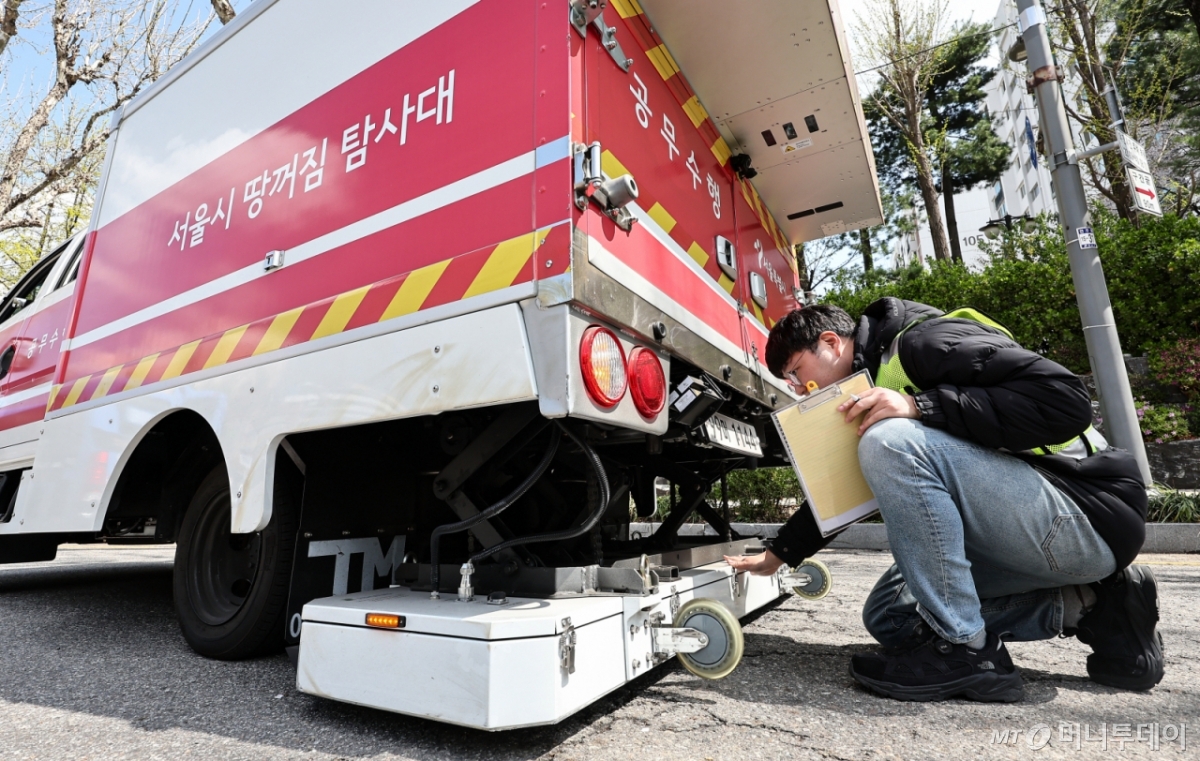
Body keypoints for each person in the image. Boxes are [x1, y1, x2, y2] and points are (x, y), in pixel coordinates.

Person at [725, 298, 1160, 702]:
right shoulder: (875, 385)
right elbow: (848, 493)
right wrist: (780, 554)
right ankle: (1093, 605)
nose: (801, 389)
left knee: (888, 440)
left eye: (798, 372)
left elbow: (1066, 401)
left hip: (1086, 513)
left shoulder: (922, 342)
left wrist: (921, 406)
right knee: (891, 618)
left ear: (831, 343)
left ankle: (968, 650)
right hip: (1041, 529)